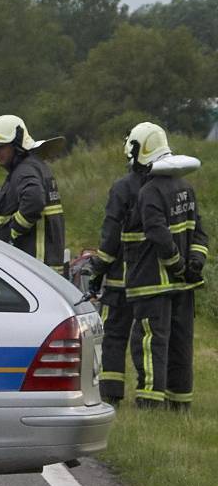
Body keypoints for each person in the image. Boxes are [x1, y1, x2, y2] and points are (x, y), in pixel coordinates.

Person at [120, 123, 208, 410]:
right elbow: (199, 233)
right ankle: (180, 403)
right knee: (181, 344)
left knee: (149, 341)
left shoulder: (149, 191)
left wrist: (177, 265)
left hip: (153, 283)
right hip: (185, 286)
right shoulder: (185, 186)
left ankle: (149, 401)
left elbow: (158, 235)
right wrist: (194, 263)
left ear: (139, 151)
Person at [88, 143, 146, 405]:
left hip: (120, 279)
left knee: (113, 335)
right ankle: (152, 392)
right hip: (152, 279)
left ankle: (110, 393)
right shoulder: (164, 187)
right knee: (149, 337)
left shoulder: (123, 187)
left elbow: (111, 234)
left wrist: (98, 269)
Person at [0, 114, 67, 269]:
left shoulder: (25, 170)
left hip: (35, 266)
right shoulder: (32, 167)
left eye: (0, 147)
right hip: (40, 266)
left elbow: (34, 201)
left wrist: (11, 232)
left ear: (16, 144)